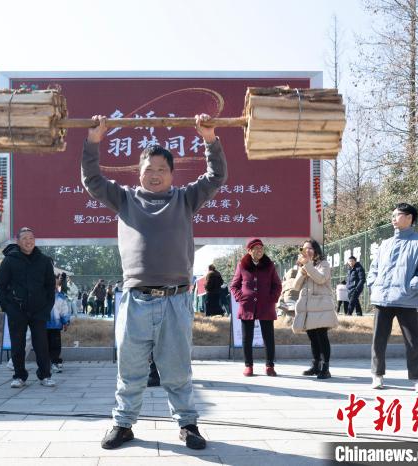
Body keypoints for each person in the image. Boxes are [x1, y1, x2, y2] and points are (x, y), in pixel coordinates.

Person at [83, 113, 226, 450]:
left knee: (177, 368)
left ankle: (188, 423)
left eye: (162, 169)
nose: (155, 174)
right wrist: (92, 141)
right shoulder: (125, 199)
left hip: (176, 299)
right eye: (149, 169)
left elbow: (216, 175)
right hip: (135, 299)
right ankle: (123, 424)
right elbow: (92, 179)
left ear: (172, 174)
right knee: (130, 367)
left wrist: (210, 139)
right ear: (139, 172)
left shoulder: (185, 199)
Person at [367, 203, 418, 393]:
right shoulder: (385, 244)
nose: (393, 218)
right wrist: (373, 284)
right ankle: (377, 375)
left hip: (407, 300)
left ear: (409, 218)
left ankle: (417, 379)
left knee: (413, 341)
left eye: (397, 215)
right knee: (378, 340)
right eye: (393, 215)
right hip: (382, 299)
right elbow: (374, 269)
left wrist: (411, 288)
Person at [0, 227, 56, 388]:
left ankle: (45, 375)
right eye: (24, 238)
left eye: (31, 238)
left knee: (41, 345)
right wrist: (8, 307)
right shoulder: (9, 260)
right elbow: (0, 286)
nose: (28, 241)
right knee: (17, 345)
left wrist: (47, 308)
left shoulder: (44, 260)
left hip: (39, 311)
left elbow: (51, 287)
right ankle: (19, 376)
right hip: (17, 310)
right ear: (18, 242)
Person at [230, 238, 282, 377]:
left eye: (261, 248)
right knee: (247, 338)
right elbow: (234, 285)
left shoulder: (269, 265)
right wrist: (241, 298)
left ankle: (270, 366)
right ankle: (248, 366)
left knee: (268, 337)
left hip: (266, 305)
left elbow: (277, 285)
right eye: (256, 249)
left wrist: (273, 299)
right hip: (247, 305)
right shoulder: (242, 265)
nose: (260, 251)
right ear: (249, 250)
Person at [292, 239, 339, 379]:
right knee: (312, 337)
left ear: (316, 250)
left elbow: (320, 279)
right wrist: (302, 270)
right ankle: (315, 365)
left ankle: (326, 367)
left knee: (322, 336)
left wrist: (307, 265)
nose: (307, 251)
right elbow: (295, 286)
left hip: (321, 307)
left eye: (310, 248)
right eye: (304, 249)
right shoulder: (305, 266)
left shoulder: (324, 264)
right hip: (308, 308)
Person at [47, 273, 70, 373]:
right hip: (43, 325)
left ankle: (55, 362)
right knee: (44, 345)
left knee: (56, 345)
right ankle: (46, 363)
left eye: (57, 284)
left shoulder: (61, 297)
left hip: (56, 326)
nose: (55, 286)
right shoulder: (41, 296)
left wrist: (66, 322)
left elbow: (64, 311)